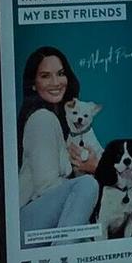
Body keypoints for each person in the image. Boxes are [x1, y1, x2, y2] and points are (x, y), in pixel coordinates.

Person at [17, 46, 101, 235]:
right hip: (28, 219)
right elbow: (47, 187)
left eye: (60, 74)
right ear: (33, 83)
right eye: (45, 76)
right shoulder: (42, 119)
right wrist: (92, 172)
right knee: (87, 185)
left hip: (42, 217)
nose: (55, 82)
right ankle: (65, 257)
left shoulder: (62, 121)